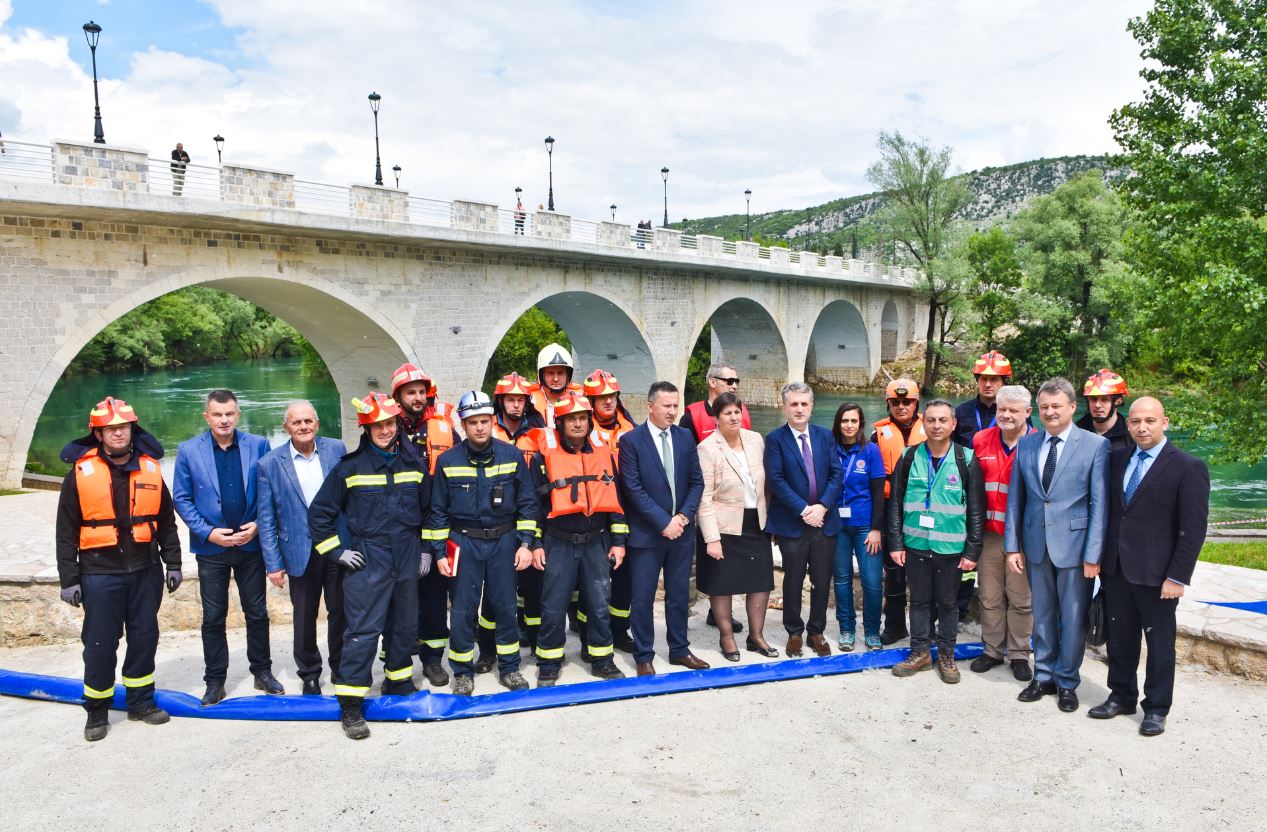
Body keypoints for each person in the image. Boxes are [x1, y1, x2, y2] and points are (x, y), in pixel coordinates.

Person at [55, 397, 182, 742]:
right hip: (99, 573)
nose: (117, 433)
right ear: (98, 433)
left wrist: (173, 563)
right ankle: (97, 711)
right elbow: (66, 532)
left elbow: (166, 522)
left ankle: (141, 702)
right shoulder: (80, 475)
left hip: (145, 570)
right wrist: (69, 579)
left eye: (122, 427)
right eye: (110, 428)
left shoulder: (152, 469)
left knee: (144, 638)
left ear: (131, 429)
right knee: (99, 644)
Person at [308, 391, 430, 740]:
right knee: (362, 632)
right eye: (377, 425)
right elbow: (319, 515)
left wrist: (424, 550)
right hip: (368, 560)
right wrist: (337, 552)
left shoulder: (414, 466)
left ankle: (399, 680)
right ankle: (350, 704)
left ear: (397, 424)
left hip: (406, 557)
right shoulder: (350, 468)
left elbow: (428, 512)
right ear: (366, 427)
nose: (385, 430)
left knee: (404, 626)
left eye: (389, 423)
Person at [1092, 397, 1209, 736]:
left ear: (1165, 422)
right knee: (1120, 638)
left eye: (1150, 421)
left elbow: (1193, 528)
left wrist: (1177, 575)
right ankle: (1122, 695)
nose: (1142, 427)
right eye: (1136, 421)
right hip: (1116, 568)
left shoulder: (1188, 467)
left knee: (1159, 644)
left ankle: (1156, 707)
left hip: (1158, 574)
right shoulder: (1116, 459)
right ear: (1127, 424)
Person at [1004, 377, 1109, 713]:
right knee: (1043, 615)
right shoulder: (1027, 444)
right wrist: (1011, 546)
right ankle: (1044, 675)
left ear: (1072, 407)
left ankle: (1067, 681)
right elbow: (1015, 501)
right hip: (1035, 545)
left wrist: (1094, 554)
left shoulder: (1094, 445)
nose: (1049, 412)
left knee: (1074, 617)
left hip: (1076, 550)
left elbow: (1099, 504)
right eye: (1044, 407)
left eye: (1056, 407)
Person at [426, 390, 539, 695]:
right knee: (463, 610)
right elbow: (438, 512)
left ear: (492, 421)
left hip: (504, 541)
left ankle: (510, 667)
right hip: (463, 542)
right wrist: (439, 553)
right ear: (463, 425)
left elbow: (528, 505)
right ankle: (463, 672)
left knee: (504, 607)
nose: (479, 427)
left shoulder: (512, 455)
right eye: (473, 422)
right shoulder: (448, 461)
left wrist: (526, 544)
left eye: (484, 421)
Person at [172, 389, 281, 705]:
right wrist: (208, 533)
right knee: (213, 617)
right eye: (217, 414)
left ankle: (262, 672)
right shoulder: (189, 450)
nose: (224, 420)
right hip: (213, 549)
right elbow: (182, 498)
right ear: (206, 416)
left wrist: (260, 523)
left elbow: (270, 490)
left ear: (238, 414)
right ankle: (215, 681)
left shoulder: (258, 445)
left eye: (229, 413)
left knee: (257, 612)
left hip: (250, 545)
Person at [529, 392, 629, 686]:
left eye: (582, 418)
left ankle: (602, 660)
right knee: (553, 605)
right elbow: (532, 506)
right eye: (571, 419)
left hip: (596, 541)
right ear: (559, 423)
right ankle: (549, 662)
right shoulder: (541, 459)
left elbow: (615, 501)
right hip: (557, 542)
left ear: (589, 422)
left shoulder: (604, 456)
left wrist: (619, 542)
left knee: (599, 603)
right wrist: (535, 544)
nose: (577, 424)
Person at [887, 399, 985, 683]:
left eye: (943, 420)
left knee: (948, 603)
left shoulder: (966, 459)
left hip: (952, 548)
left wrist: (973, 550)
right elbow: (895, 503)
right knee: (917, 601)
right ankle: (919, 651)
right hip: (916, 544)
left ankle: (946, 654)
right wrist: (896, 543)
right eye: (931, 420)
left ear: (953, 424)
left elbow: (976, 510)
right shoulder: (908, 457)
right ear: (923, 423)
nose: (937, 425)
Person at [256, 401, 348, 695]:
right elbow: (267, 517)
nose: (303, 427)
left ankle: (341, 666)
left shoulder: (337, 450)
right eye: (297, 423)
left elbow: (351, 500)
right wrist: (273, 563)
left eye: (308, 421)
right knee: (305, 616)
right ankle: (309, 673)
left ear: (317, 424)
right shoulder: (270, 463)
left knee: (342, 611)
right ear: (286, 428)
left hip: (336, 546)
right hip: (298, 552)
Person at [618, 380, 707, 675]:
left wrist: (681, 518)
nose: (672, 412)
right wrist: (663, 522)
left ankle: (679, 649)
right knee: (642, 597)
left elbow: (697, 482)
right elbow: (632, 489)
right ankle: (644, 654)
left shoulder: (684, 437)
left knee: (679, 594)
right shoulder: (631, 441)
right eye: (666, 406)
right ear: (650, 406)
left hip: (681, 533)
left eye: (675, 406)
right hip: (646, 535)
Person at [765, 382, 844, 658]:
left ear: (811, 406)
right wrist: (804, 510)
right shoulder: (775, 439)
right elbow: (776, 479)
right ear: (784, 407)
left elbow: (837, 474)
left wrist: (821, 507)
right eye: (793, 404)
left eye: (804, 404)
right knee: (793, 579)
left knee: (822, 580)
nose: (799, 409)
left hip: (824, 521)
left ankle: (816, 631)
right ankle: (794, 632)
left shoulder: (825, 437)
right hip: (792, 524)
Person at [696, 392, 777, 661]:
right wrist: (712, 538)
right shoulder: (707, 448)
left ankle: (756, 636)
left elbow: (766, 484)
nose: (734, 417)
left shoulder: (755, 440)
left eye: (737, 411)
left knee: (761, 581)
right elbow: (704, 497)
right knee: (723, 584)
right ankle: (727, 637)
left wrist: (771, 519)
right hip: (724, 526)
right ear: (716, 418)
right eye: (727, 413)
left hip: (756, 521)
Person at [390, 362, 455, 687]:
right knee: (399, 600)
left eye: (420, 392)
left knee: (433, 600)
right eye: (410, 392)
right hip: (396, 529)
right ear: (398, 396)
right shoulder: (385, 428)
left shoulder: (443, 428)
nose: (417, 397)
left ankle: (432, 661)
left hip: (436, 524)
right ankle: (397, 664)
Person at [969, 385, 1036, 681]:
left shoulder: (1039, 443)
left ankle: (1020, 654)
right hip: (988, 535)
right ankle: (993, 650)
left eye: (1013, 410)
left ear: (1027, 413)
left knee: (1021, 599)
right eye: (1001, 409)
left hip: (1022, 538)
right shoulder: (981, 440)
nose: (1006, 415)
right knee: (990, 596)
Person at [680, 363, 748, 633]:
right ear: (711, 382)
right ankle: (683, 607)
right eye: (728, 379)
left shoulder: (741, 413)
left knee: (727, 562)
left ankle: (718, 613)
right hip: (701, 496)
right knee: (697, 557)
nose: (734, 384)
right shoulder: (692, 415)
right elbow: (684, 455)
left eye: (736, 379)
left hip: (733, 503)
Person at [488, 371, 549, 655]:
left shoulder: (538, 432)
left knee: (533, 587)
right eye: (510, 400)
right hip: (494, 521)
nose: (516, 405)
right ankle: (488, 650)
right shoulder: (487, 430)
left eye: (520, 400)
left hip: (529, 516)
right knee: (494, 593)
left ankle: (536, 644)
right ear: (500, 402)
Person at [583, 368, 639, 652]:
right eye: (601, 398)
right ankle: (586, 634)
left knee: (623, 579)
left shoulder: (629, 428)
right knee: (592, 581)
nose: (608, 402)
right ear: (590, 401)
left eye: (612, 396)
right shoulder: (582, 429)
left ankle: (620, 630)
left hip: (626, 510)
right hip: (595, 514)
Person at [871, 378, 926, 644]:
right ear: (889, 404)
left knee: (925, 573)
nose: (902, 407)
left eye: (907, 402)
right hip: (889, 510)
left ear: (916, 403)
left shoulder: (934, 428)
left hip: (924, 510)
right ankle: (894, 625)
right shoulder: (877, 434)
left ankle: (926, 626)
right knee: (893, 573)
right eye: (896, 402)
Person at [830, 402, 887, 652]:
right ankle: (847, 629)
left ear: (861, 424)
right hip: (836, 526)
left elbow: (878, 492)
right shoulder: (829, 449)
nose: (849, 425)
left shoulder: (871, 451)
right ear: (838, 424)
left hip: (865, 526)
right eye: (845, 421)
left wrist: (876, 528)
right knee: (841, 580)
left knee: (872, 581)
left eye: (854, 421)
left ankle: (873, 631)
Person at [680, 364, 752, 443]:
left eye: (736, 381)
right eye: (730, 381)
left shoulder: (742, 411)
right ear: (712, 382)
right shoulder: (690, 418)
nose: (735, 386)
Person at [528, 343, 583, 427]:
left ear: (568, 375)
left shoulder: (581, 398)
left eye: (560, 373)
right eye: (550, 373)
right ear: (541, 375)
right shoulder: (529, 401)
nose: (556, 379)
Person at [1077, 369, 1132, 452]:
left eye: (1104, 400)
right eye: (1093, 399)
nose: (1097, 405)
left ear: (1118, 401)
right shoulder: (1076, 431)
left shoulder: (1131, 436)